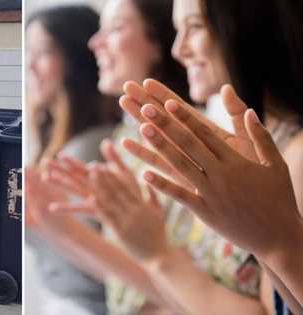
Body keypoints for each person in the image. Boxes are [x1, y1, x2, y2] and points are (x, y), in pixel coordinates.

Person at [114, 0, 303, 313]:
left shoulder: (296, 154)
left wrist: (158, 255)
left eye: (195, 26)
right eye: (178, 29)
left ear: (251, 27)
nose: (179, 49)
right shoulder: (262, 151)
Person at [25, 6, 120, 314]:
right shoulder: (62, 144)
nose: (30, 65)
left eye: (43, 53)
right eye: (29, 52)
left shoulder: (87, 152)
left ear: (76, 60)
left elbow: (109, 271)